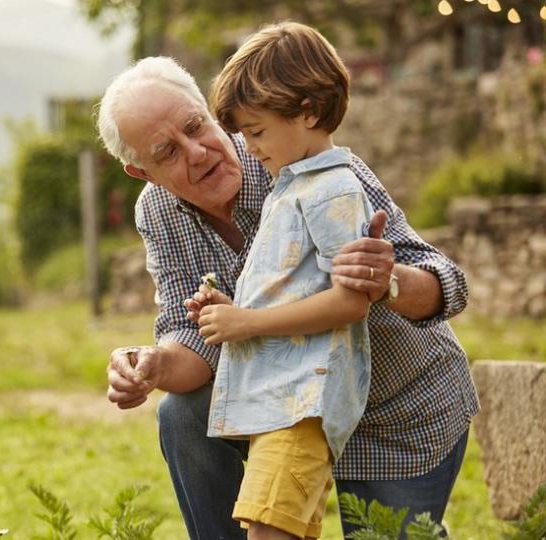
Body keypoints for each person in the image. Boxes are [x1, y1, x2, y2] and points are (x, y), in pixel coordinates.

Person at [96, 52, 479, 538]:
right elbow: (191, 339)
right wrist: (152, 365)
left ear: (211, 112)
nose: (196, 153)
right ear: (143, 172)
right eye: (167, 152)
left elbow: (447, 283)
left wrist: (388, 281)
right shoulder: (158, 211)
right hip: (285, 407)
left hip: (393, 405)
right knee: (183, 411)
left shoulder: (311, 164)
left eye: (196, 127)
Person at [186, 22, 374, 539]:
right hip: (279, 403)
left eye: (257, 131)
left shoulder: (332, 189)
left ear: (309, 111)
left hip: (301, 405)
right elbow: (295, 287)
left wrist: (248, 322)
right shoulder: (290, 185)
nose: (248, 146)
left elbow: (350, 302)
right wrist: (230, 308)